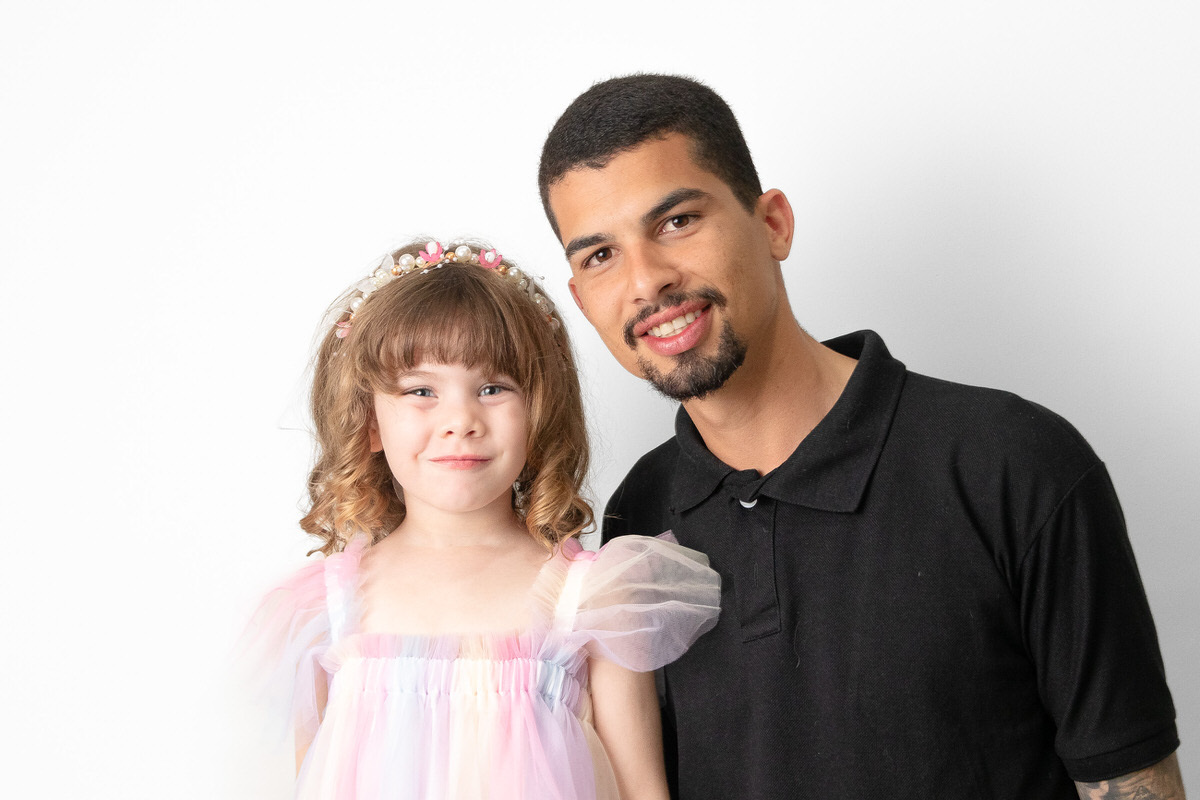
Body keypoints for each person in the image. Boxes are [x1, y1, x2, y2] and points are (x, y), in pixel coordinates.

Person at [538, 75, 1185, 800]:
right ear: (581, 299)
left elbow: (1132, 783)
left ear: (774, 224)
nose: (646, 281)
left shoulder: (1015, 465)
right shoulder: (635, 518)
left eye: (677, 221)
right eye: (600, 255)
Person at [246, 239, 721, 799]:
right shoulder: (325, 610)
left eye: (493, 388)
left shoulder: (591, 600)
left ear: (537, 414)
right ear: (369, 421)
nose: (461, 419)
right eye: (421, 390)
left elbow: (641, 789)